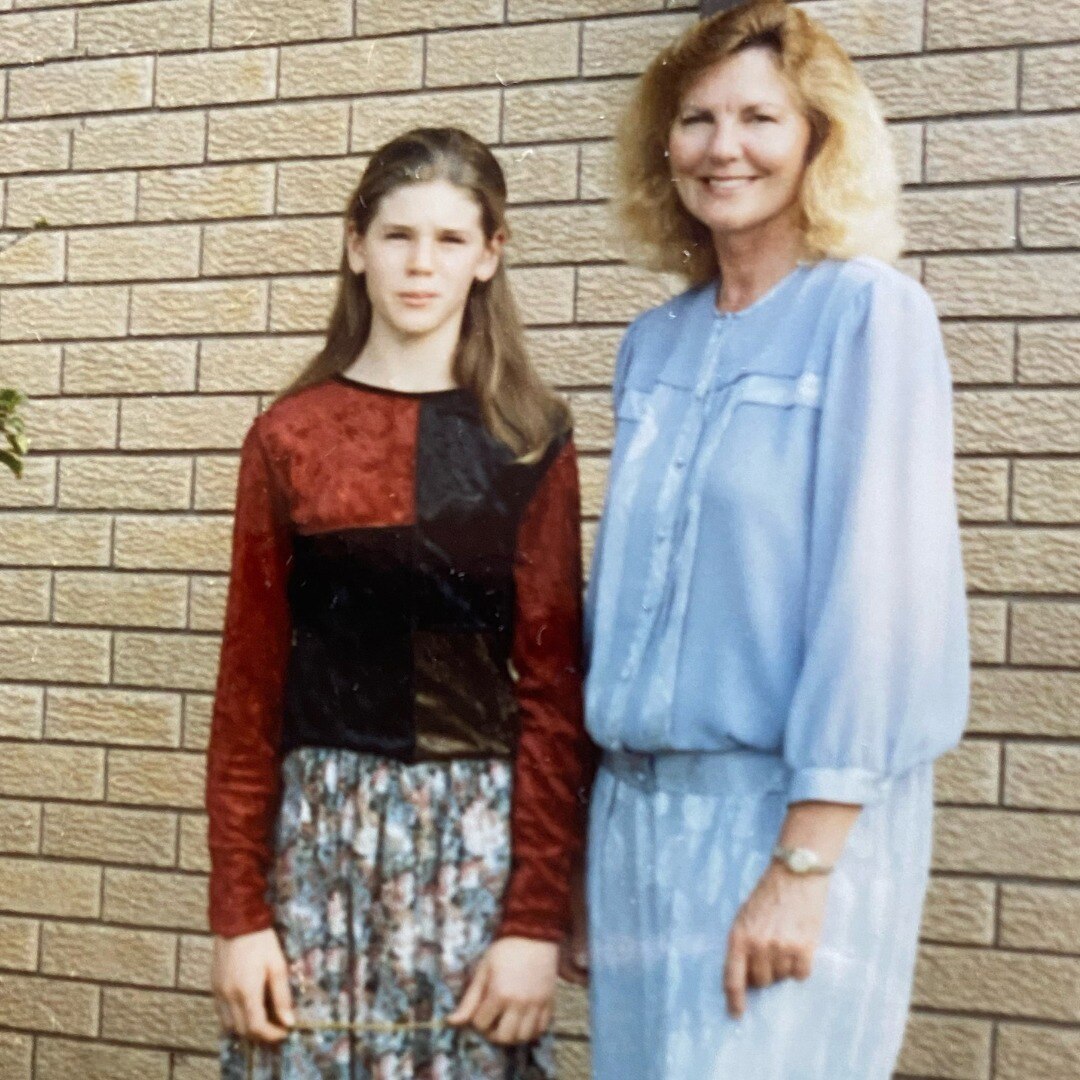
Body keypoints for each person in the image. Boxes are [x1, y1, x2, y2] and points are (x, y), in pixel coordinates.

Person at [583, 2, 970, 1077]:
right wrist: (580, 853)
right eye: (697, 118)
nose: (724, 146)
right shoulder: (652, 344)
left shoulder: (870, 317)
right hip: (636, 826)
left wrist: (803, 861)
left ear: (817, 137)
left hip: (785, 820)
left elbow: (881, 596)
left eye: (760, 115)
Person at [205, 127, 594, 1080]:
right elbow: (248, 698)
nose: (422, 264)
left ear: (491, 255)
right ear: (355, 244)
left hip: (472, 856)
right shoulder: (288, 439)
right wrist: (239, 917)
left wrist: (534, 924)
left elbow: (552, 694)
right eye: (397, 235)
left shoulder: (529, 441)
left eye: (451, 239)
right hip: (318, 855)